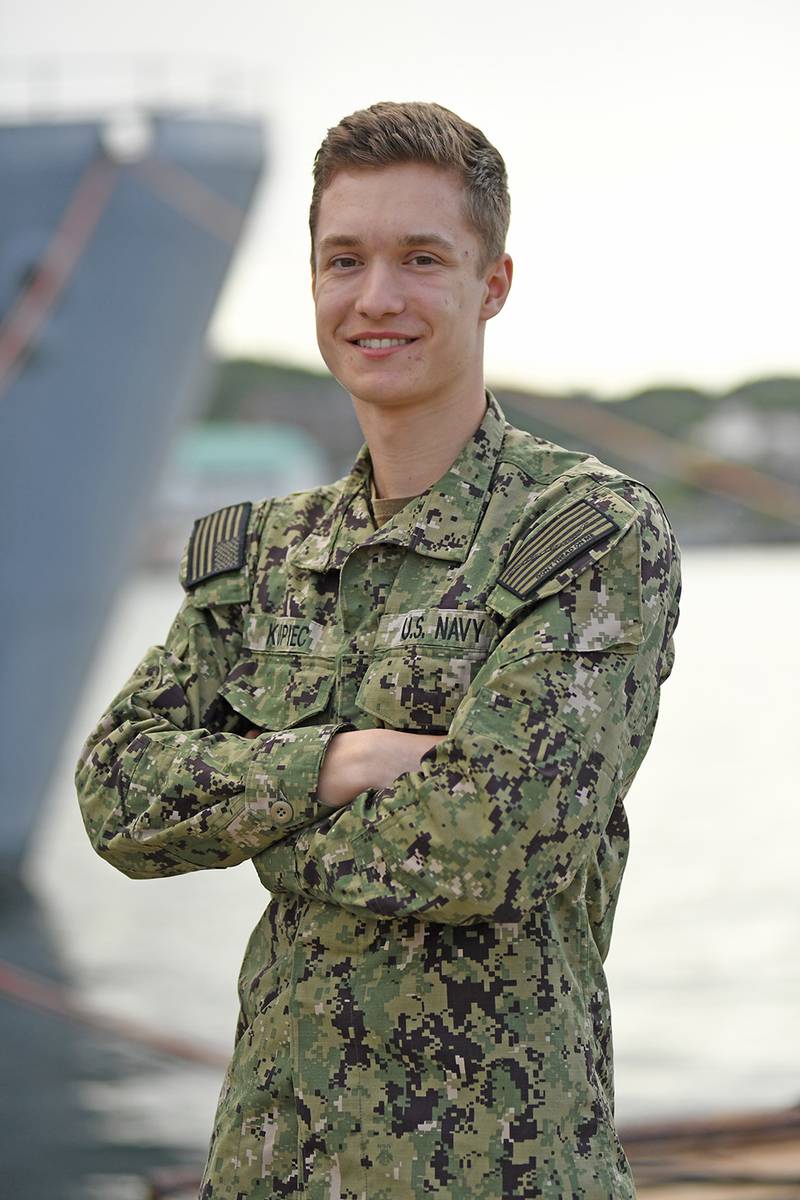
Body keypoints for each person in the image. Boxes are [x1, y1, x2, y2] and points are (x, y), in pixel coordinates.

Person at [76, 100, 681, 1199]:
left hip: (498, 1169)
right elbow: (117, 801)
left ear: (490, 284)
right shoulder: (256, 558)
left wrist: (251, 828)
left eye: (420, 258)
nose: (376, 298)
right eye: (342, 259)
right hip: (271, 1168)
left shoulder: (585, 539)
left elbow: (487, 847)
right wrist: (334, 763)